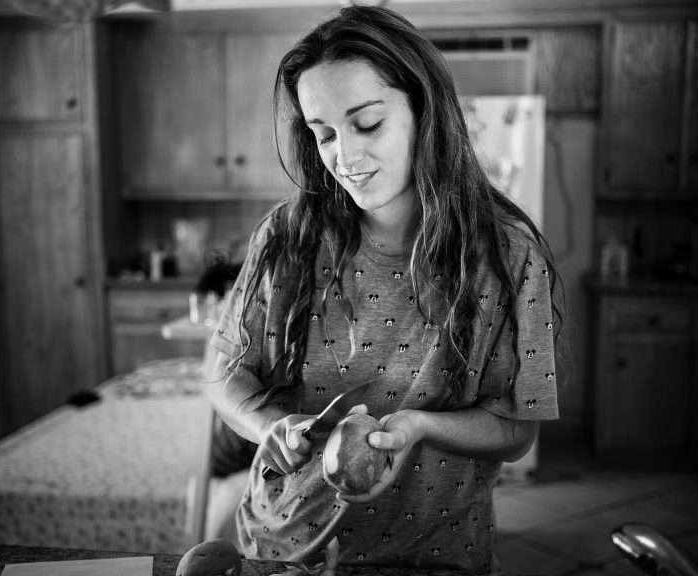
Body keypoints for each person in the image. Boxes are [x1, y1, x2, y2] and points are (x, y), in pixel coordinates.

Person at [206, 4, 564, 573]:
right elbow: (226, 374)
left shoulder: (508, 257)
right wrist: (267, 425)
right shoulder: (287, 237)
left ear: (426, 112)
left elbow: (516, 428)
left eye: (367, 124)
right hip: (284, 551)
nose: (344, 158)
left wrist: (421, 426)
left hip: (431, 557)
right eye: (323, 134)